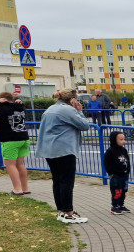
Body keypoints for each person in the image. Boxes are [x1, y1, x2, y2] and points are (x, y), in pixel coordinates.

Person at [35, 88, 92, 223]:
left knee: (58, 180)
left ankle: (61, 211)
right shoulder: (68, 110)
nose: (78, 102)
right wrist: (79, 111)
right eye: (77, 100)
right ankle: (68, 213)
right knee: (67, 181)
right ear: (72, 100)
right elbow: (84, 125)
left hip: (50, 150)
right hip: (64, 150)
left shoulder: (50, 109)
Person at [0, 92, 30, 195]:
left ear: (3, 100)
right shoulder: (19, 107)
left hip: (10, 139)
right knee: (20, 164)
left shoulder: (4, 109)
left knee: (10, 165)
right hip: (23, 137)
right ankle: (25, 188)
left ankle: (17, 189)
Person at [103, 130, 131, 215]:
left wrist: (128, 170)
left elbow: (127, 161)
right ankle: (114, 206)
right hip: (116, 175)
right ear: (114, 140)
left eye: (124, 139)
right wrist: (110, 173)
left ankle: (121, 205)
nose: (123, 141)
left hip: (124, 174)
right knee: (116, 191)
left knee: (124, 191)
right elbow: (106, 163)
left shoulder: (124, 150)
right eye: (121, 139)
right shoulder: (110, 151)